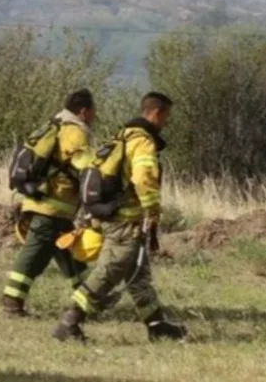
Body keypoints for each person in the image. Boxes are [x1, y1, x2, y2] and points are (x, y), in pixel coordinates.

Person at [52, 92, 186, 343]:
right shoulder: (142, 141)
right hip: (125, 221)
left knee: (138, 275)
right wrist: (152, 211)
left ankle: (157, 325)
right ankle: (69, 322)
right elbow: (144, 176)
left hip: (119, 217)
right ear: (156, 113)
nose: (166, 122)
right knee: (108, 272)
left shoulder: (123, 135)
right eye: (166, 116)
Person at [1, 89, 98, 318]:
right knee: (34, 255)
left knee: (71, 255)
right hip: (51, 205)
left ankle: (90, 300)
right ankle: (12, 304)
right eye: (94, 113)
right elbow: (85, 165)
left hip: (51, 206)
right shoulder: (74, 130)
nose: (94, 117)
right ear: (84, 112)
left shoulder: (53, 124)